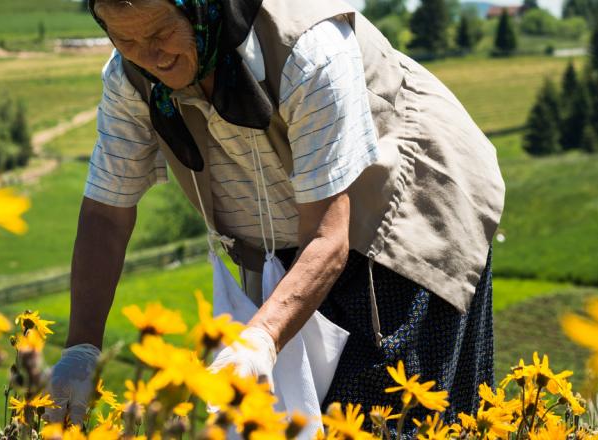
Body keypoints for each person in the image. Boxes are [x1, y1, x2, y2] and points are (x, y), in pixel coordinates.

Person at [45, 0, 505, 433]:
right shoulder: (130, 79)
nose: (151, 57)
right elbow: (107, 213)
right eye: (126, 41)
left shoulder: (309, 49)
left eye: (163, 33)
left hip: (401, 215)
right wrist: (82, 347)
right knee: (290, 422)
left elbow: (328, 237)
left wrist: (260, 339)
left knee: (385, 417)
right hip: (291, 238)